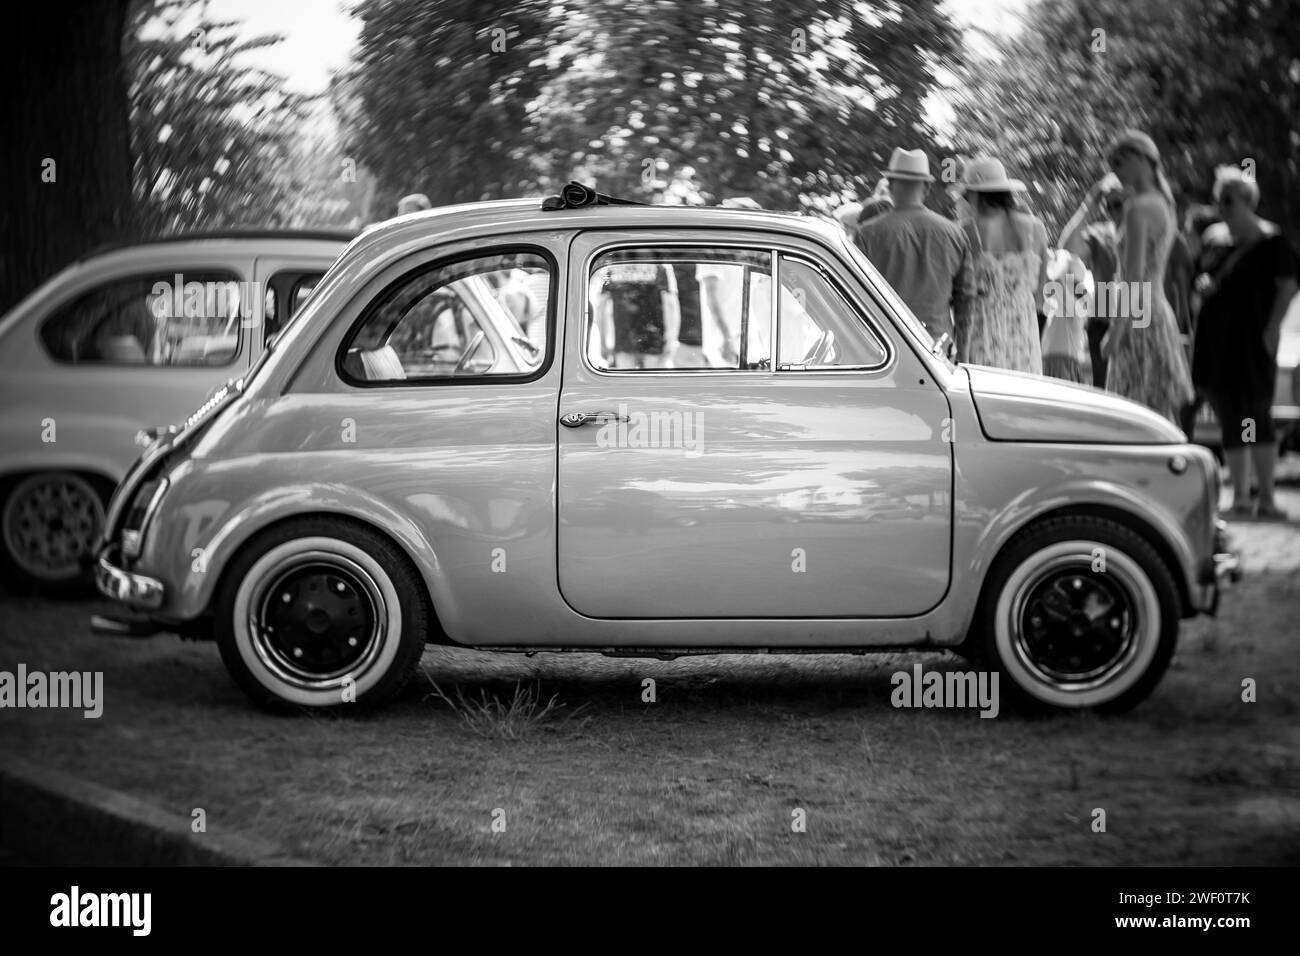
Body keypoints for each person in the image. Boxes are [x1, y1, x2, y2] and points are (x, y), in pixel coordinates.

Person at [1191, 168, 1299, 520]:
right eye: (1218, 199)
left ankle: (1265, 498)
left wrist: (1272, 331)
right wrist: (1202, 285)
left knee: (1257, 416)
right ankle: (1240, 497)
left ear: (1248, 201)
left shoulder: (1271, 241)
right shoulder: (1213, 238)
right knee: (1231, 418)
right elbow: (1198, 276)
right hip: (1216, 341)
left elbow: (1288, 285)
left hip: (1252, 342)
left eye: (1228, 200)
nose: (1221, 206)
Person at [1099, 130, 1195, 428]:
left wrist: (1116, 330)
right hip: (1155, 312)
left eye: (1119, 161)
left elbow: (1134, 277)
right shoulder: (1164, 203)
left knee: (1133, 417)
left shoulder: (1137, 207)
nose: (1115, 170)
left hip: (1139, 318)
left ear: (1140, 157)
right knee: (1158, 415)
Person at [855, 148, 974, 352]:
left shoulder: (867, 234)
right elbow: (966, 300)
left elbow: (854, 299)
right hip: (937, 350)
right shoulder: (954, 233)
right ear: (927, 188)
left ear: (891, 186)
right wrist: (962, 353)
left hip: (883, 350)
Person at [955, 157, 1049, 373]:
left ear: (975, 194)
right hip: (1024, 333)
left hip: (980, 332)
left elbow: (961, 298)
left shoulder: (966, 232)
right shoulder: (1036, 230)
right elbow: (1040, 298)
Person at [1059, 175, 1124, 386]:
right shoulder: (1100, 234)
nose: (1114, 210)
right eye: (1109, 205)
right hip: (1102, 323)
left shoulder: (1143, 230)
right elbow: (1067, 248)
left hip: (1137, 318)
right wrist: (1089, 205)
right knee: (1104, 388)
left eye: (1119, 204)